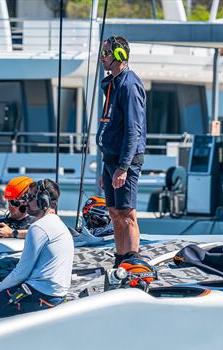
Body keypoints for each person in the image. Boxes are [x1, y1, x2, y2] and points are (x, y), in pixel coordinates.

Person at [0, 179, 74, 330]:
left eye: (29, 197)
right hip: (53, 293)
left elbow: (22, 271)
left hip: (40, 293)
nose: (26, 202)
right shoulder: (57, 223)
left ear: (43, 201)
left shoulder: (38, 228)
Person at [97, 35, 147, 267]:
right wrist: (106, 168)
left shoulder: (129, 84)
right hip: (110, 160)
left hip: (124, 162)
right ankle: (120, 258)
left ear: (119, 56)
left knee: (127, 213)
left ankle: (133, 259)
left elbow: (133, 130)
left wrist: (123, 167)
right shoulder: (114, 84)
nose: (102, 58)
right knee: (114, 212)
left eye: (106, 53)